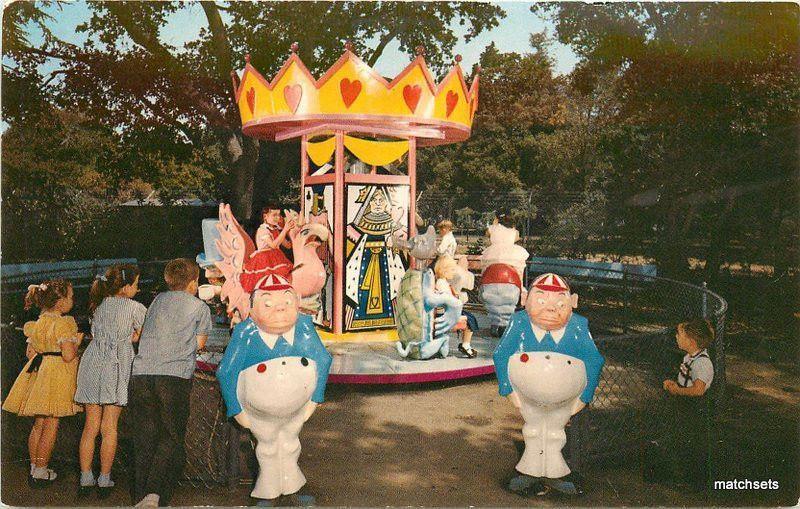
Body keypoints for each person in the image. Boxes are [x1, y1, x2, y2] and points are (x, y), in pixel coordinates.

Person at [217, 274, 332, 505]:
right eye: (268, 304)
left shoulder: (303, 327)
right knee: (267, 446)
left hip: (296, 408)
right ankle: (267, 491)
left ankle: (292, 485)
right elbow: (226, 371)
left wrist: (315, 398)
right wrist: (236, 408)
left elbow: (323, 359)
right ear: (253, 307)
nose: (279, 310)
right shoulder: (246, 333)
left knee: (291, 443)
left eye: (287, 303)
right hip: (259, 411)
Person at [493, 273, 604, 497]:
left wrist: (585, 396)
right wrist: (507, 388)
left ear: (573, 302)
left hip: (565, 395)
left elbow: (594, 359)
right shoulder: (520, 322)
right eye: (541, 300)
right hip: (527, 392)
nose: (551, 309)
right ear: (525, 298)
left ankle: (556, 473)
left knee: (555, 431)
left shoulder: (579, 325)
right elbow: (501, 353)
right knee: (532, 429)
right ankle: (529, 471)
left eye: (560, 302)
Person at [129, 259, 211, 508]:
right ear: (194, 283)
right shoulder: (199, 307)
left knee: (145, 436)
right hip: (173, 376)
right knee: (171, 435)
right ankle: (155, 495)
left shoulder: (156, 301)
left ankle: (140, 495)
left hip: (142, 374)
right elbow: (199, 344)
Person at [74, 264, 146, 497]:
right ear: (125, 288)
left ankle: (86, 476)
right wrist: (131, 337)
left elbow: (97, 333)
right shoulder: (135, 307)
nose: (137, 288)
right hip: (116, 365)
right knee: (109, 427)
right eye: (135, 284)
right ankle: (104, 478)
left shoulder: (98, 305)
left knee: (90, 426)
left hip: (93, 362)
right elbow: (143, 335)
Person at [3, 279, 83, 487]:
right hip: (56, 377)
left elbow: (30, 352)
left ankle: (34, 466)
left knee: (39, 424)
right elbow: (67, 355)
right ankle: (41, 469)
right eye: (71, 297)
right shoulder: (65, 323)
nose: (72, 301)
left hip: (39, 375)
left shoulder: (37, 324)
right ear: (60, 303)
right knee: (51, 424)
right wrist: (77, 343)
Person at [658, 319, 715, 489]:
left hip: (695, 407)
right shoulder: (689, 357)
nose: (676, 337)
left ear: (690, 341)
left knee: (694, 443)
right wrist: (672, 384)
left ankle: (695, 482)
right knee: (682, 440)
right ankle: (684, 476)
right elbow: (685, 380)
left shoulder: (702, 363)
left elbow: (698, 390)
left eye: (679, 334)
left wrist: (676, 390)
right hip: (685, 405)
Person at [433, 256, 479, 358]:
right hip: (447, 312)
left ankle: (466, 344)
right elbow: (446, 300)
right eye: (452, 270)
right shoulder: (441, 284)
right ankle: (465, 345)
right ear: (444, 271)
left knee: (470, 316)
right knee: (470, 319)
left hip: (448, 310)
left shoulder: (443, 282)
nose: (454, 272)